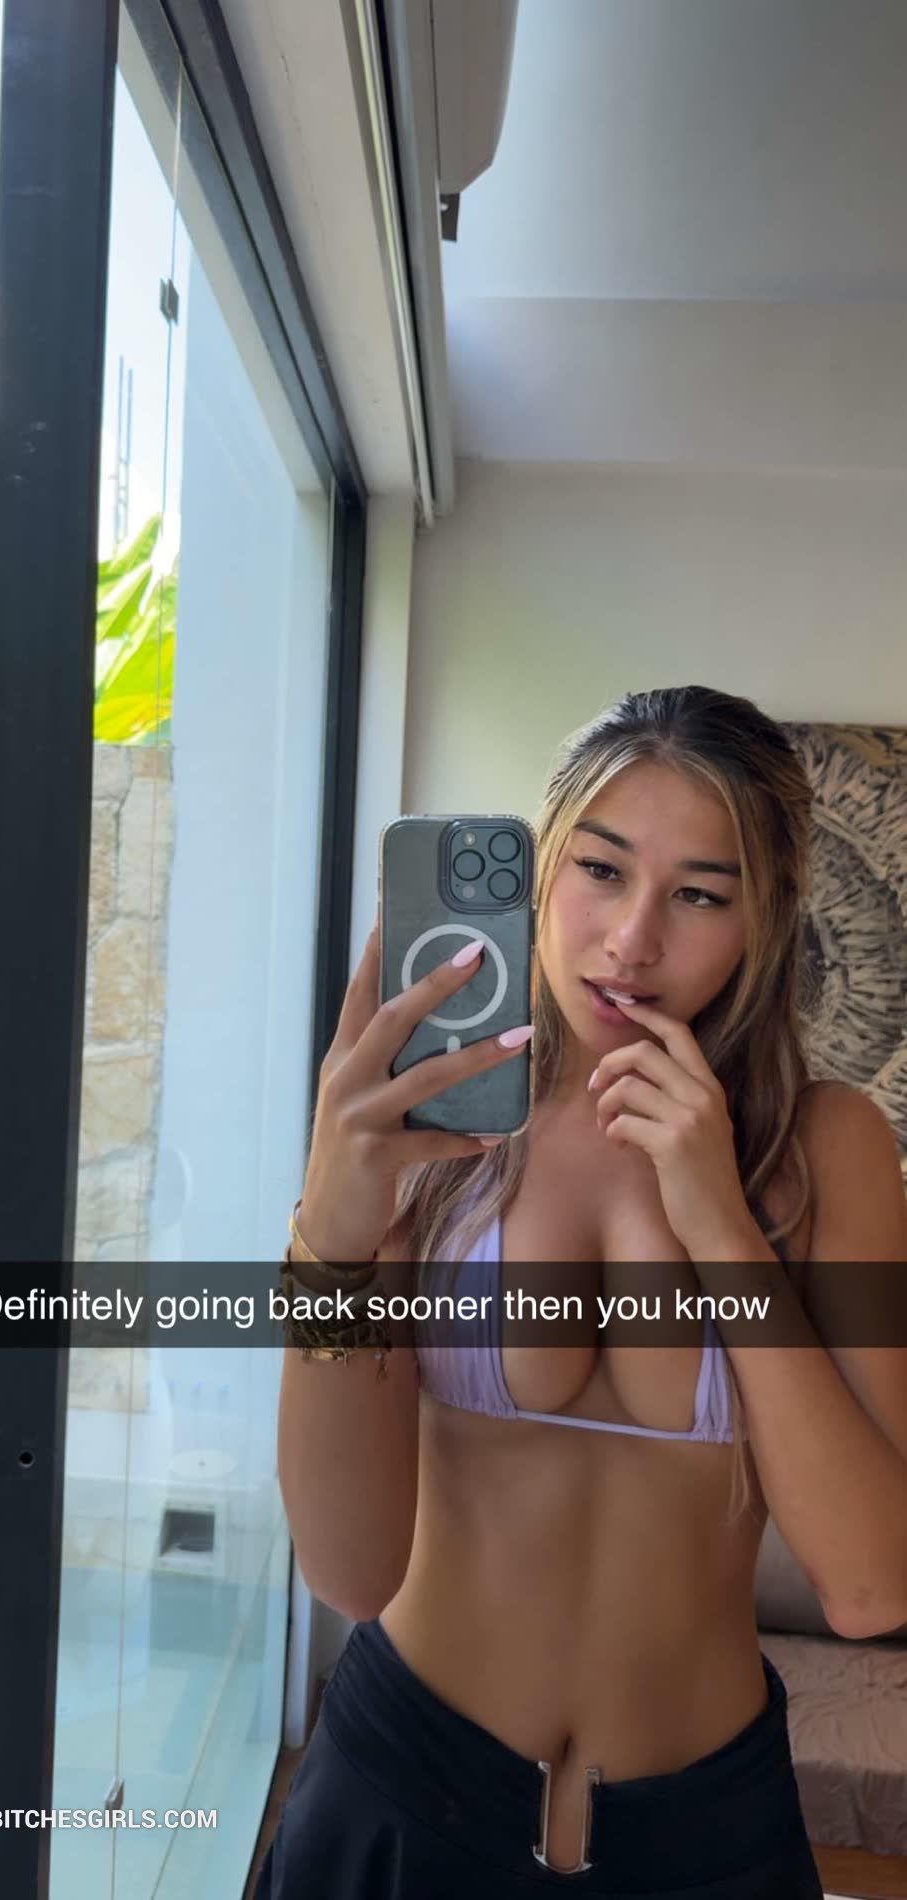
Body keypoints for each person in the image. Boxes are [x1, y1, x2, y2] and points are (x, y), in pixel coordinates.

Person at [257, 685, 907, 1899]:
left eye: (699, 894)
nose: (631, 940)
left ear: (764, 919)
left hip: (703, 1834)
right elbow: (348, 1567)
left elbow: (872, 1584)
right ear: (544, 864)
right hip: (403, 1790)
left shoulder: (825, 1149)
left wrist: (718, 1221)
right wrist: (332, 1233)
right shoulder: (439, 1122)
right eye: (600, 870)